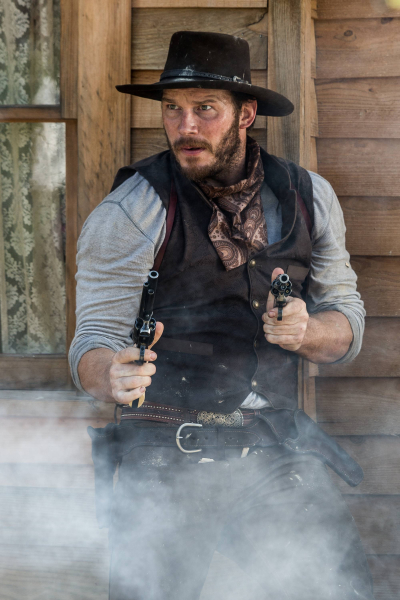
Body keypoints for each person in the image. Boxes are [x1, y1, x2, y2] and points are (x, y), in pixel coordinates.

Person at [69, 31, 374, 600]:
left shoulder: (309, 196)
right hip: (165, 453)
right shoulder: (130, 212)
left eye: (205, 108)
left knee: (343, 591)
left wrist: (308, 331)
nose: (185, 126)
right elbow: (92, 342)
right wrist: (110, 374)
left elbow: (346, 323)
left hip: (273, 448)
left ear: (246, 115)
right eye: (172, 109)